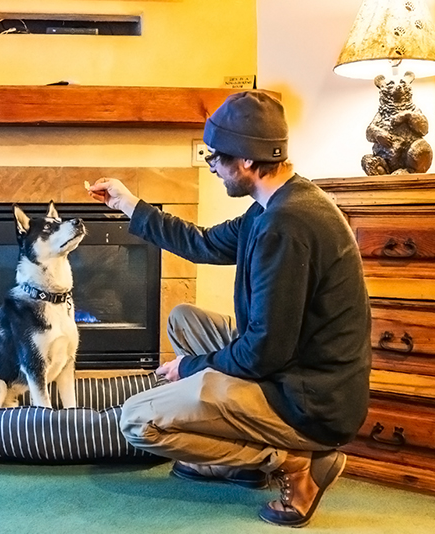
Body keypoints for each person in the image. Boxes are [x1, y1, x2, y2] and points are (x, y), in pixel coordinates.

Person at [86, 90, 371, 528]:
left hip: (309, 401)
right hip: (291, 366)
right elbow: (202, 243)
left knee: (138, 420)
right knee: (184, 318)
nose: (213, 167)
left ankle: (292, 461)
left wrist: (189, 367)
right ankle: (241, 462)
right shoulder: (273, 206)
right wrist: (129, 204)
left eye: (215, 158)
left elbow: (263, 353)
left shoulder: (288, 225)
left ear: (248, 161)